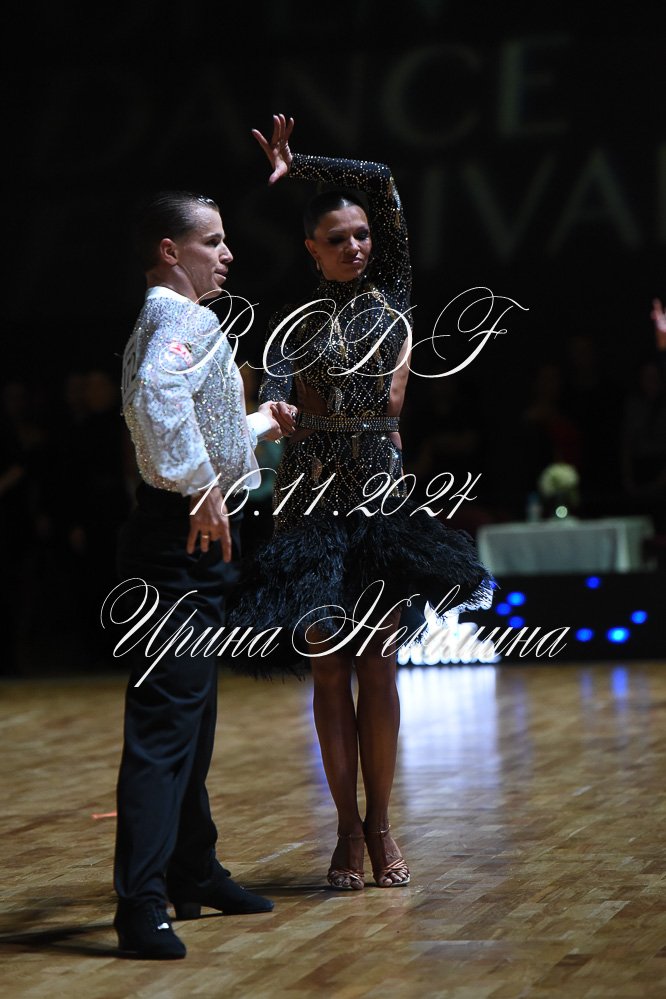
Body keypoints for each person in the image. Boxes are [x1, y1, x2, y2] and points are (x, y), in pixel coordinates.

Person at [231, 116, 493, 893]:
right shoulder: (292, 324)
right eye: (337, 239)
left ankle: (381, 825)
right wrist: (273, 410)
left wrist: (301, 163)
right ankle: (344, 827)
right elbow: (273, 392)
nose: (354, 246)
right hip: (310, 507)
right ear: (311, 249)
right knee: (328, 675)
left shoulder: (395, 290)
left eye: (360, 235)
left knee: (379, 670)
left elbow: (380, 178)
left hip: (379, 507)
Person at [111, 190, 280, 959]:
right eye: (212, 241)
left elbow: (185, 420)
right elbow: (156, 392)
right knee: (164, 728)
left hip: (183, 538)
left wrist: (261, 425)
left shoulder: (171, 317)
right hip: (178, 542)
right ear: (170, 251)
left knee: (192, 719)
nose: (227, 253)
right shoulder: (182, 318)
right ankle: (141, 904)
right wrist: (203, 485)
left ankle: (193, 869)